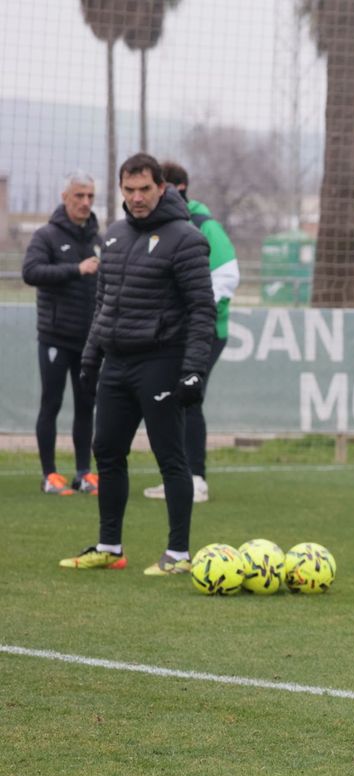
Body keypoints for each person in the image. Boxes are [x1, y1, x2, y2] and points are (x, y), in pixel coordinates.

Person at [59, 153, 216, 576]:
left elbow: (203, 309)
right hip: (117, 363)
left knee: (170, 457)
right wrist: (92, 359)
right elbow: (103, 305)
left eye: (145, 189)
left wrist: (194, 369)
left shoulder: (186, 238)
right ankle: (110, 547)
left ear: (161, 188)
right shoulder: (113, 236)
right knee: (106, 450)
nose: (137, 198)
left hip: (161, 362)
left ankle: (178, 555)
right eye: (129, 190)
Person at [142, 159, 239, 504]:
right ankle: (178, 478)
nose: (143, 197)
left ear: (173, 189)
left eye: (151, 188)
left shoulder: (202, 224)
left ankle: (196, 479)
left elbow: (228, 274)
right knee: (171, 402)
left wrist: (197, 309)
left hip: (207, 331)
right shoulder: (159, 226)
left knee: (189, 397)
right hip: (174, 333)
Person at [21, 170, 101, 496]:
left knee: (86, 407)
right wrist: (76, 270)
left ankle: (84, 474)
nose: (85, 202)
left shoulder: (99, 238)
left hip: (90, 340)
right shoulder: (46, 236)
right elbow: (31, 272)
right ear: (64, 197)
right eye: (79, 196)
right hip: (55, 337)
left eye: (90, 196)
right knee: (51, 404)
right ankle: (50, 475)